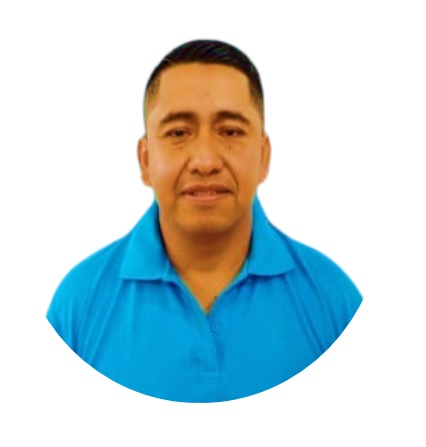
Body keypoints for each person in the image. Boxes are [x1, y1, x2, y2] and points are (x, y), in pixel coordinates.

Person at [46, 39, 363, 403]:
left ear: (263, 156)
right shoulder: (79, 304)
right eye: (178, 133)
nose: (205, 161)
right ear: (145, 160)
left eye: (230, 132)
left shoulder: (333, 300)